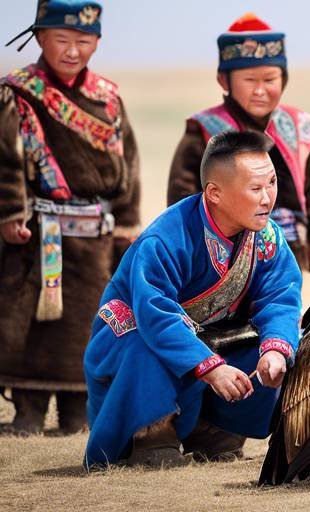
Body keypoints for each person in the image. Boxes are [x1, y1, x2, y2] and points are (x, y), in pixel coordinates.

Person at [83, 131, 302, 469]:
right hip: (134, 337)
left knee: (271, 343)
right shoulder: (166, 238)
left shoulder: (267, 237)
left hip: (205, 336)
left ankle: (214, 428)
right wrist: (210, 368)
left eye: (271, 183)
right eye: (255, 189)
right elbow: (155, 312)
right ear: (214, 192)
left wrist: (275, 348)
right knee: (145, 343)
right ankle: (153, 431)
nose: (268, 198)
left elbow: (280, 296)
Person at [0, 0, 140, 434]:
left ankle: (80, 412)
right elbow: (5, 159)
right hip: (35, 232)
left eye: (84, 41)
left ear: (97, 42)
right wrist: (9, 212)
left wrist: (129, 223)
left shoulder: (109, 99)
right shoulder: (17, 92)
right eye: (62, 39)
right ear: (40, 38)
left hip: (95, 237)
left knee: (90, 322)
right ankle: (27, 411)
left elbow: (128, 164)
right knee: (30, 324)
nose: (73, 51)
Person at [167, 12, 310, 273]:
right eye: (249, 80)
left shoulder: (297, 127)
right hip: (222, 259)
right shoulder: (204, 130)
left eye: (269, 80)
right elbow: (182, 198)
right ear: (225, 80)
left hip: (288, 251)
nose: (260, 90)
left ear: (283, 80)